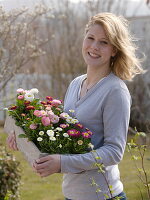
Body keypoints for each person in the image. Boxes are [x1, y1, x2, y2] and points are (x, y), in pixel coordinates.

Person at [7, 12, 144, 200]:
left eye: (104, 42)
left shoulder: (115, 91)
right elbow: (62, 137)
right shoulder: (75, 84)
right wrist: (24, 141)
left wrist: (63, 163)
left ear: (114, 49)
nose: (94, 47)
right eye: (91, 38)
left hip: (103, 195)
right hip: (72, 194)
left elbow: (114, 152)